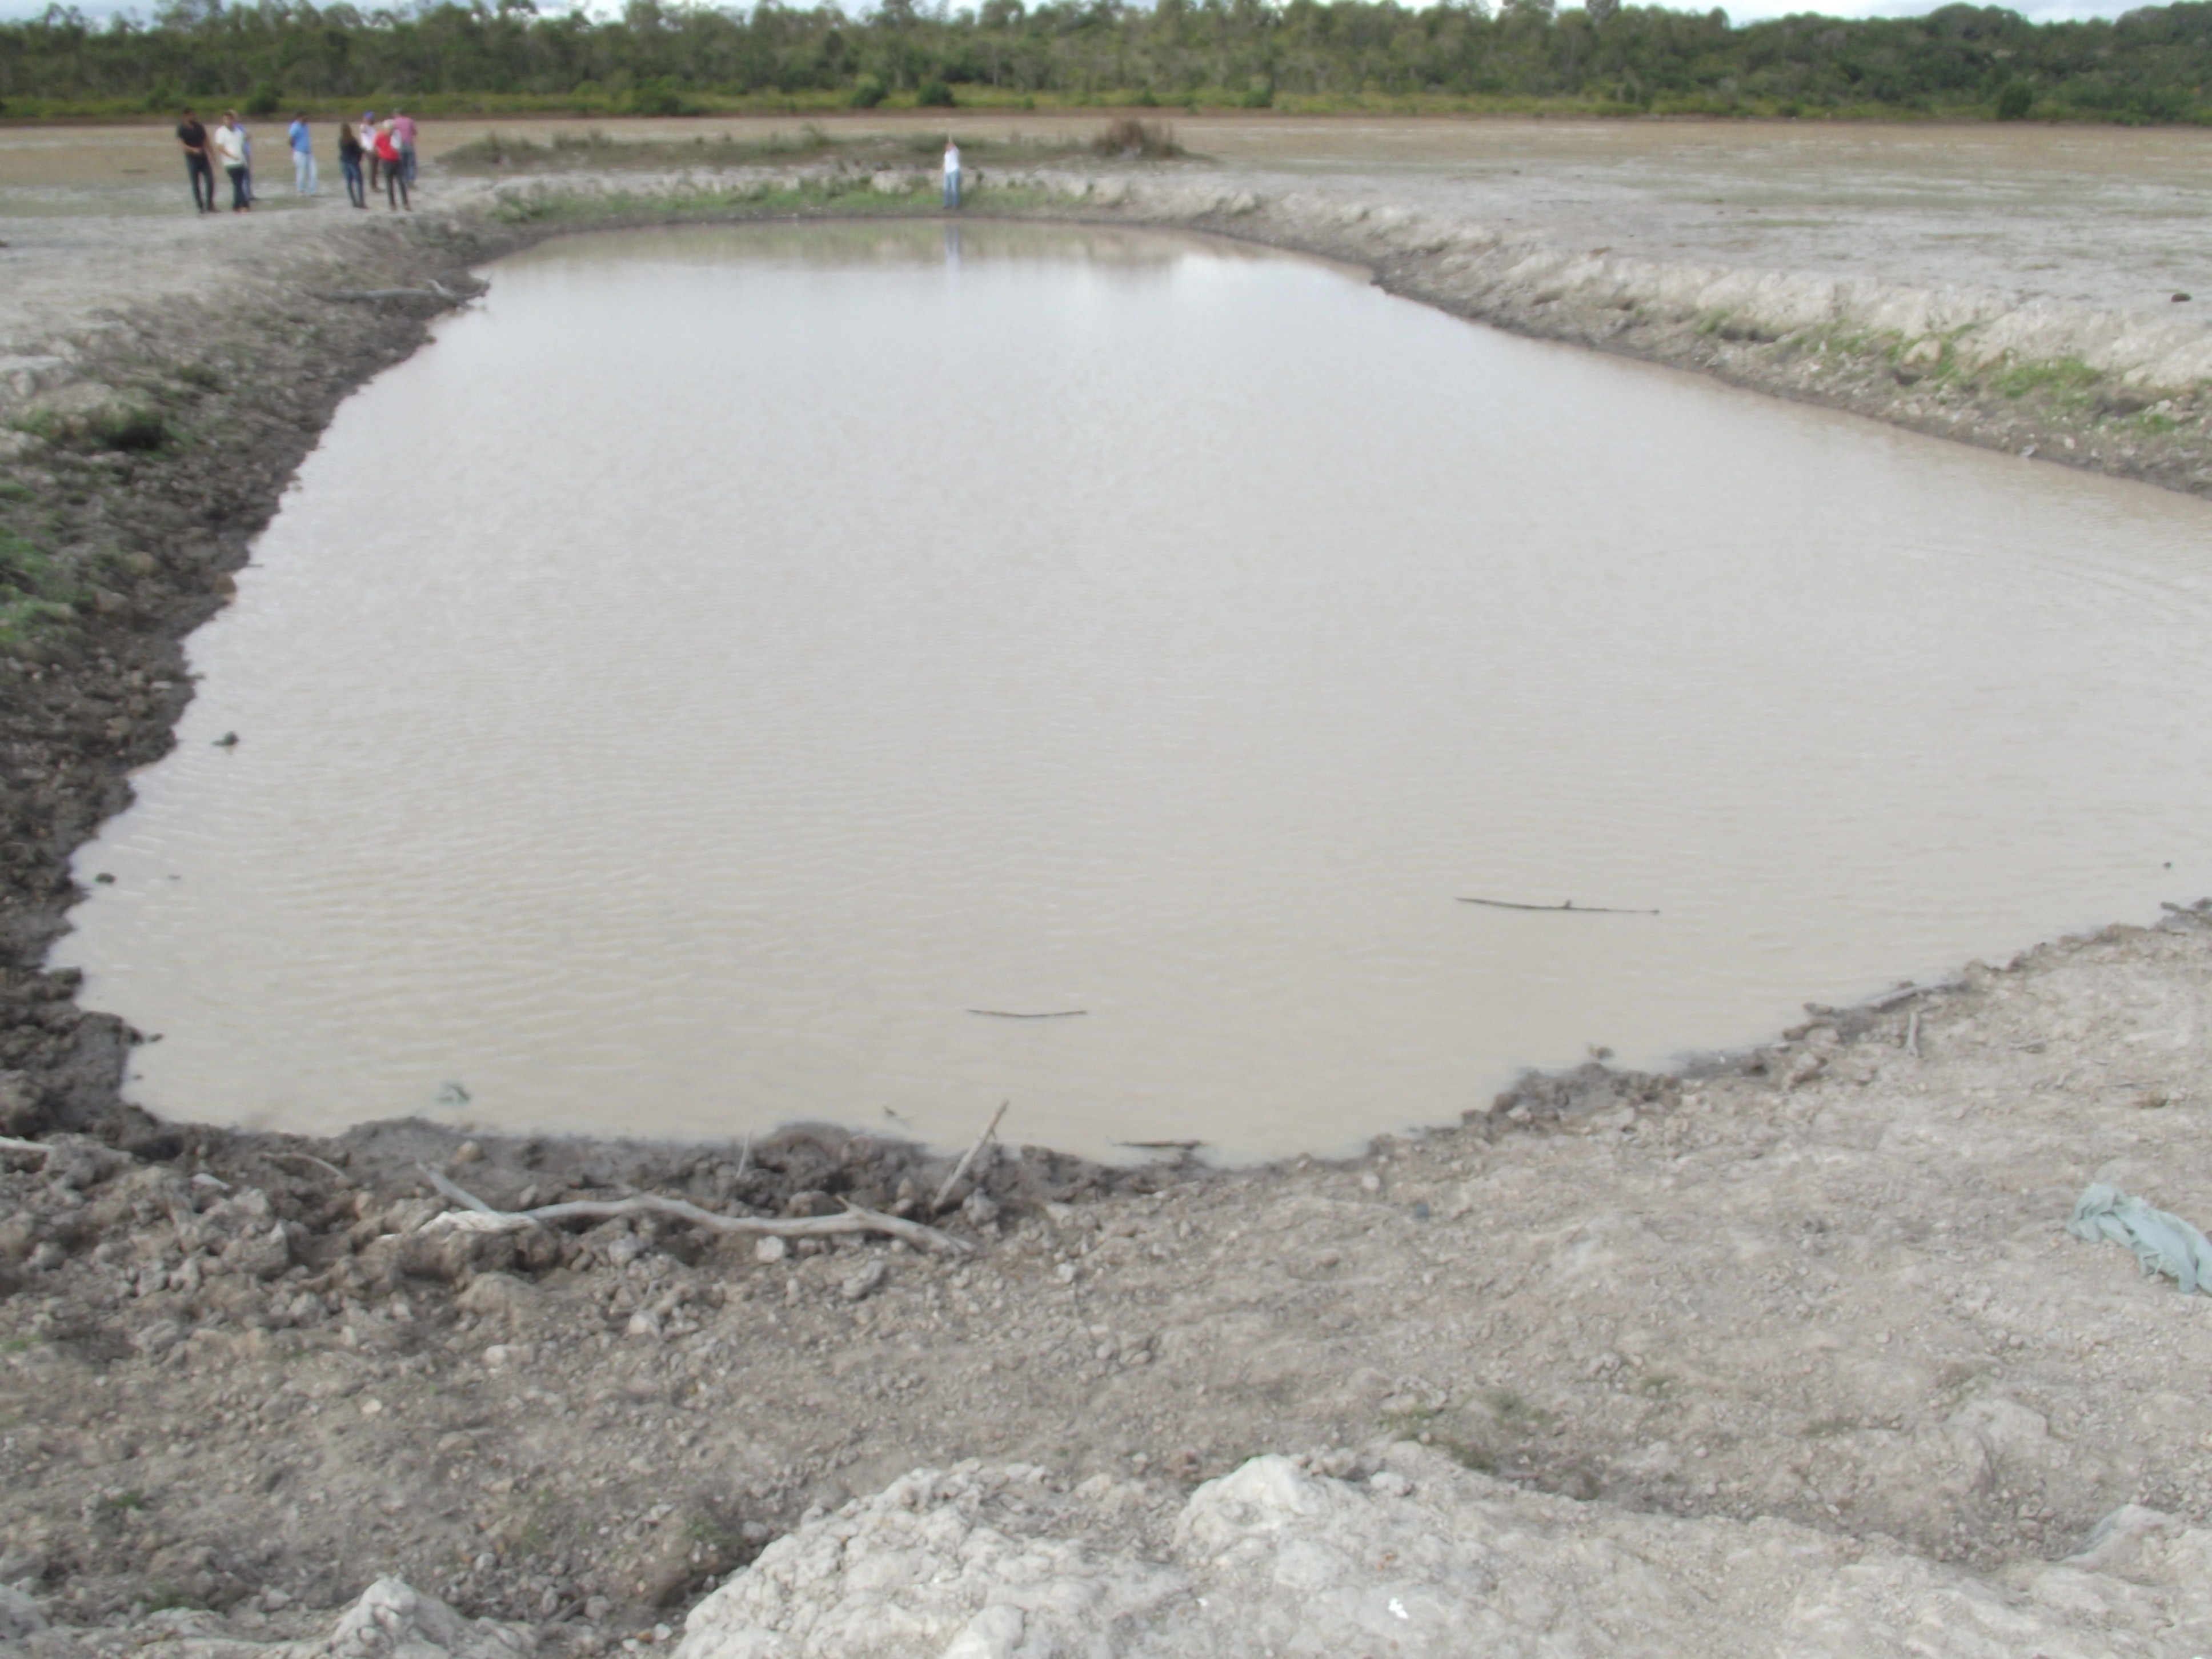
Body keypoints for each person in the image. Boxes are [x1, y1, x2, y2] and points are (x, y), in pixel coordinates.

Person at [177, 107, 215, 214]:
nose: (194, 117)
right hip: (192, 160)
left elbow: (206, 141)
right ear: (186, 116)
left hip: (203, 158)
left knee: (210, 181)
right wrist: (193, 150)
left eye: (194, 115)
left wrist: (212, 154)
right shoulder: (181, 129)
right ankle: (200, 206)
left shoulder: (199, 127)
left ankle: (210, 205)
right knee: (195, 183)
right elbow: (181, 145)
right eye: (192, 115)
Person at [211, 111, 249, 211]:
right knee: (237, 183)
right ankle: (245, 204)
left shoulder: (239, 132)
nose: (228, 121)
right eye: (226, 119)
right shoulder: (221, 132)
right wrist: (231, 156)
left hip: (241, 162)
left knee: (239, 184)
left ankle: (236, 205)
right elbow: (220, 147)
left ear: (233, 120)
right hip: (230, 163)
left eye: (230, 119)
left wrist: (246, 160)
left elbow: (243, 147)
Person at [374, 120, 410, 211]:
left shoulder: (396, 135)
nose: (391, 131)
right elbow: (374, 147)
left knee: (401, 183)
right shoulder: (380, 136)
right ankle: (392, 205)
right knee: (389, 184)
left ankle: (406, 204)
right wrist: (380, 156)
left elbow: (400, 145)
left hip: (397, 161)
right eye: (390, 129)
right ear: (385, 129)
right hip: (386, 162)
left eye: (392, 129)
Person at [337, 118, 366, 209]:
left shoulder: (341, 140)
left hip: (344, 161)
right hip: (353, 162)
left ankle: (354, 201)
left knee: (349, 183)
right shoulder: (352, 140)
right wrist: (363, 150)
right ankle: (361, 202)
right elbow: (358, 150)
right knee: (359, 182)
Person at [287, 112, 317, 197]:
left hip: (308, 152)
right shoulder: (295, 127)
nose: (306, 118)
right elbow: (290, 139)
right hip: (300, 153)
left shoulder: (306, 126)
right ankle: (301, 190)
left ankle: (313, 191)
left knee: (314, 172)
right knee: (301, 172)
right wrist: (295, 148)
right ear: (299, 117)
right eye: (304, 117)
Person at [392, 106, 418, 185]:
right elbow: (415, 133)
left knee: (403, 163)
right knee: (411, 163)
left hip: (399, 144)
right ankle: (411, 180)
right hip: (409, 143)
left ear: (397, 114)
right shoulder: (410, 121)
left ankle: (405, 179)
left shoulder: (394, 122)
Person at [360, 112, 380, 194]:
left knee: (375, 168)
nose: (371, 119)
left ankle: (375, 185)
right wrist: (365, 122)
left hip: (374, 149)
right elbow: (363, 130)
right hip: (369, 150)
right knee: (373, 168)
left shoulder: (372, 128)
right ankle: (373, 186)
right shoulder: (364, 126)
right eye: (370, 118)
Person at [941, 136, 960, 210]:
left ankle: (955, 205)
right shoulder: (946, 154)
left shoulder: (955, 151)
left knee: (954, 188)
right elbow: (945, 163)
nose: (947, 147)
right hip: (947, 172)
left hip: (954, 171)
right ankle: (946, 204)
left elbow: (952, 144)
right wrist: (941, 171)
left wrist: (951, 140)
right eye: (946, 147)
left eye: (948, 146)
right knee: (946, 188)